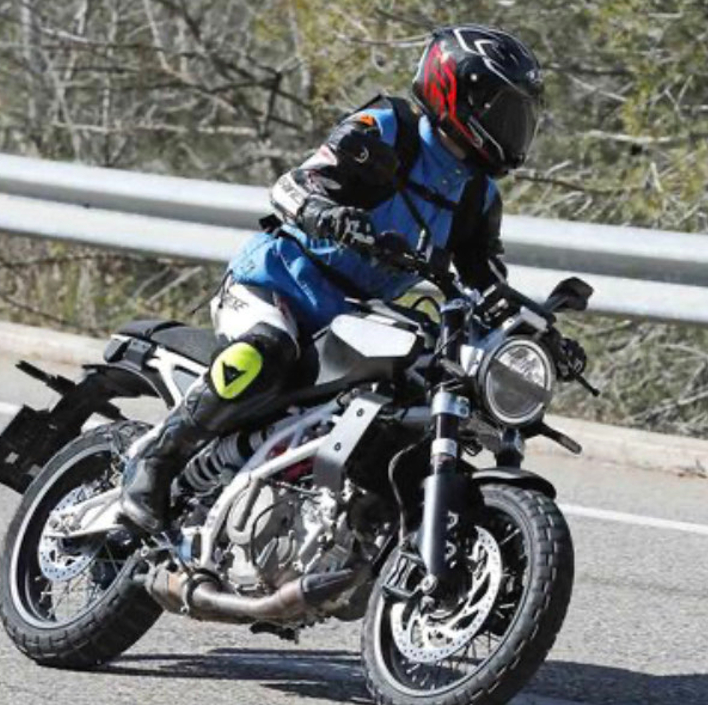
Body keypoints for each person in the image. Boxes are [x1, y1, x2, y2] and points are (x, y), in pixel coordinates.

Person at [119, 24, 546, 533]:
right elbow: (292, 186)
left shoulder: (477, 196)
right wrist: (327, 214)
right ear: (458, 91)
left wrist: (534, 327)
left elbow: (484, 281)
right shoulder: (387, 129)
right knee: (265, 351)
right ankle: (157, 459)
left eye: (520, 117)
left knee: (416, 387)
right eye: (503, 111)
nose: (513, 128)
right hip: (277, 284)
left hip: (357, 317)